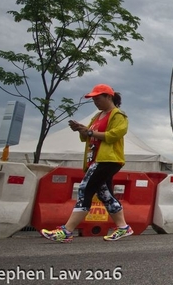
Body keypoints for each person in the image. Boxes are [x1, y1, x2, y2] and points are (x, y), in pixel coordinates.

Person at [41, 84, 133, 243]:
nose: (95, 102)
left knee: (85, 188)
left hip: (108, 159)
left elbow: (115, 134)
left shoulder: (118, 115)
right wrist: (81, 129)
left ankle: (67, 231)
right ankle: (123, 227)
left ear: (108, 97)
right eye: (93, 99)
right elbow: (87, 137)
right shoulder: (97, 117)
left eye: (98, 98)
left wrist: (90, 132)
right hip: (94, 158)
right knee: (105, 194)